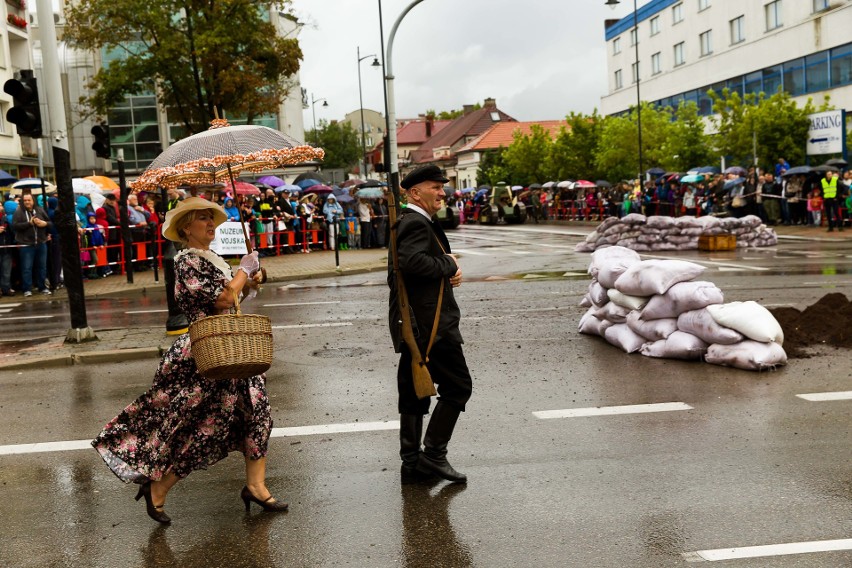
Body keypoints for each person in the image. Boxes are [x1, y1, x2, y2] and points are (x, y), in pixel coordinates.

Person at [91, 197, 286, 525]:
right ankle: (159, 488)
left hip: (231, 350)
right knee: (206, 427)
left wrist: (252, 279)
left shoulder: (212, 258)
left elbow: (234, 296)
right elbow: (222, 299)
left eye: (211, 218)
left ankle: (255, 485)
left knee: (258, 414)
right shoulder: (186, 262)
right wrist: (243, 271)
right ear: (185, 228)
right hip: (204, 355)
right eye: (202, 219)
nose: (210, 224)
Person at [389, 164, 471, 485]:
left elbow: (411, 268)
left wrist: (447, 271)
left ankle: (412, 465)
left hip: (415, 324)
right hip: (430, 327)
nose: (442, 192)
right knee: (458, 387)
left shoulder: (413, 221)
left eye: (442, 186)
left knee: (414, 392)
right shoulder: (415, 223)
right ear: (414, 192)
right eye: (435, 187)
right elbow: (411, 263)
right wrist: (448, 264)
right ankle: (434, 454)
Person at [12, 193, 52, 297]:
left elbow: (50, 223)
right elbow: (15, 226)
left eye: (29, 200)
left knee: (42, 267)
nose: (27, 202)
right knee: (27, 268)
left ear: (33, 200)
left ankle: (42, 287)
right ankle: (27, 289)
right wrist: (29, 224)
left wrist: (45, 224)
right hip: (26, 245)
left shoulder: (40, 210)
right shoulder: (19, 212)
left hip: (41, 243)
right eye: (25, 200)